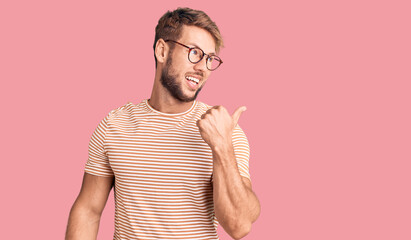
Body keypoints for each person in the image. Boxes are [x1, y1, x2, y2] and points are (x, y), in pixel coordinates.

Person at [66, 7, 260, 240]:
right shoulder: (114, 125)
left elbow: (239, 226)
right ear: (162, 50)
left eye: (209, 59)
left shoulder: (224, 130)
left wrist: (221, 146)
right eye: (195, 53)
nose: (202, 68)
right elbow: (88, 210)